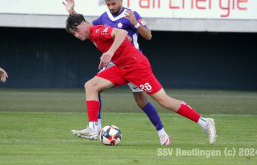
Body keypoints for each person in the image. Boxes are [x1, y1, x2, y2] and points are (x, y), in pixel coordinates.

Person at [65, 13, 217, 145]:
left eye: (77, 31)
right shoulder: (89, 31)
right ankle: (93, 128)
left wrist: (110, 52)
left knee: (164, 101)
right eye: (74, 34)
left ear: (85, 24)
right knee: (90, 86)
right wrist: (71, 12)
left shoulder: (97, 31)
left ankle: (205, 122)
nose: (77, 35)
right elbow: (79, 21)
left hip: (137, 67)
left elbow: (122, 33)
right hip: (121, 68)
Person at [63, 0, 170, 145]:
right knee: (94, 86)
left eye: (113, 3)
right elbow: (86, 28)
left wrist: (135, 23)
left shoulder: (130, 14)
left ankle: (162, 134)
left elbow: (148, 35)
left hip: (132, 62)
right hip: (114, 63)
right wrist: (72, 12)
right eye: (108, 4)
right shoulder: (104, 17)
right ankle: (95, 128)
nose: (111, 7)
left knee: (141, 101)